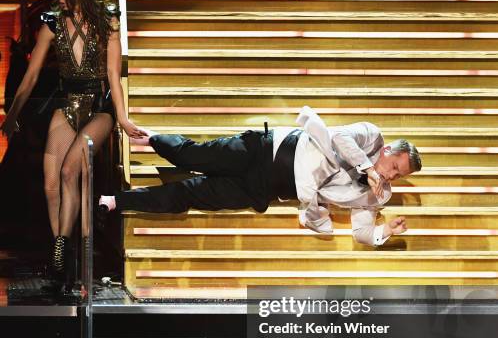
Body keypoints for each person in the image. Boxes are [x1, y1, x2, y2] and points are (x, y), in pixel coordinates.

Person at [1, 0, 146, 285]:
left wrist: (122, 118)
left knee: (70, 171)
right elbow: (31, 77)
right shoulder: (52, 22)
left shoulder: (107, 18)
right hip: (66, 106)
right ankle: (60, 254)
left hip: (99, 109)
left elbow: (113, 72)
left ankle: (63, 248)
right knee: (51, 183)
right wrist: (10, 118)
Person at [99, 106, 422, 245]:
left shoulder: (376, 195)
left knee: (189, 195)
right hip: (264, 149)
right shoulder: (370, 136)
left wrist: (385, 231)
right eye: (394, 167)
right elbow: (339, 138)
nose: (391, 176)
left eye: (397, 176)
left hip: (266, 187)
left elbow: (361, 233)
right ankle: (150, 137)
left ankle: (115, 200)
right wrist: (366, 169)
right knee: (193, 155)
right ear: (388, 150)